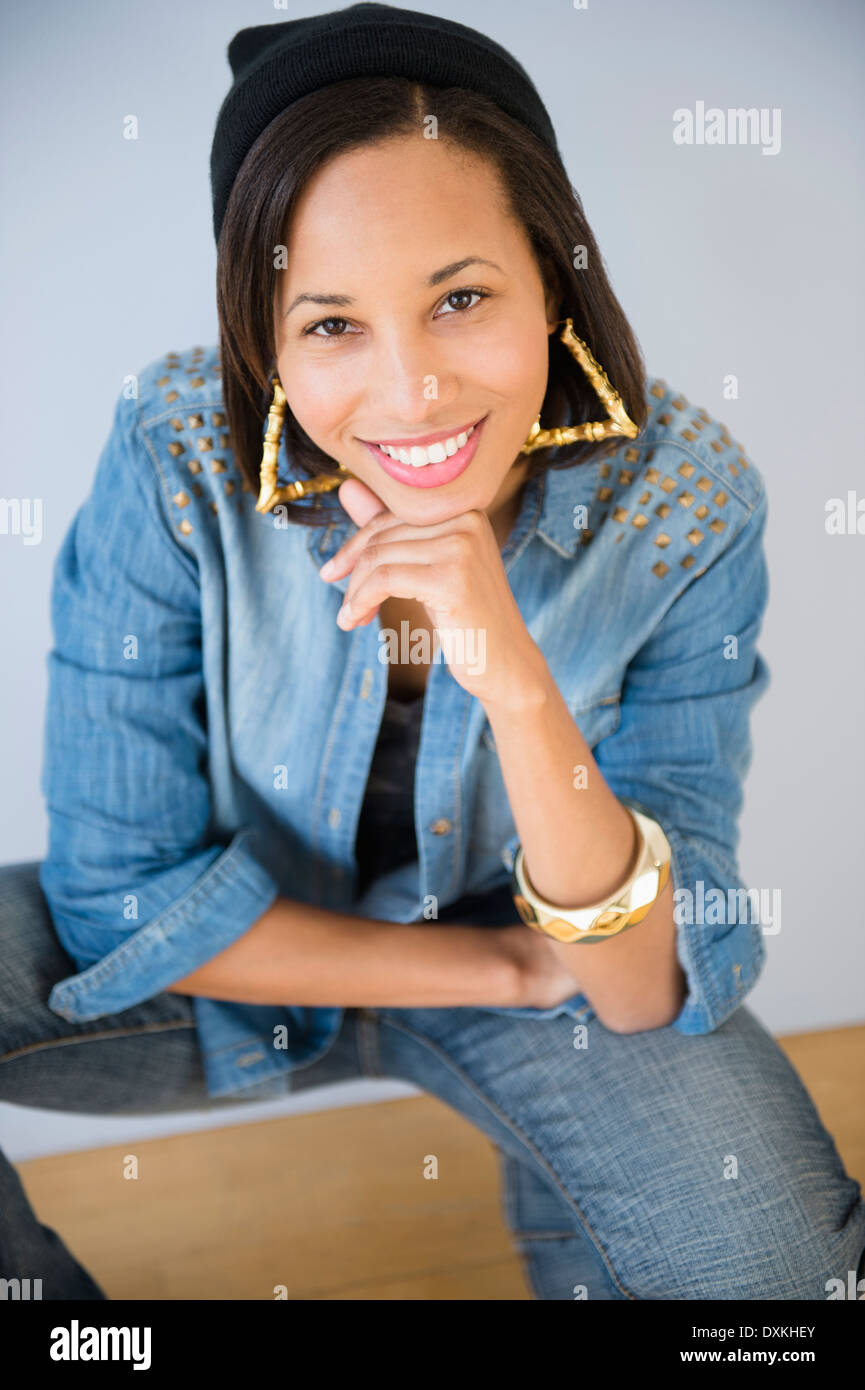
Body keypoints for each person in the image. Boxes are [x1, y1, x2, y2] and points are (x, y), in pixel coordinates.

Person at [2, 2, 863, 1301]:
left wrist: (510, 671)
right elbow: (118, 895)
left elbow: (631, 985)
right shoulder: (178, 452)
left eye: (459, 297)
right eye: (333, 324)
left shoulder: (684, 501)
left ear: (549, 277)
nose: (408, 394)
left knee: (783, 1282)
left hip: (569, 1004)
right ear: (268, 341)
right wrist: (503, 965)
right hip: (261, 957)